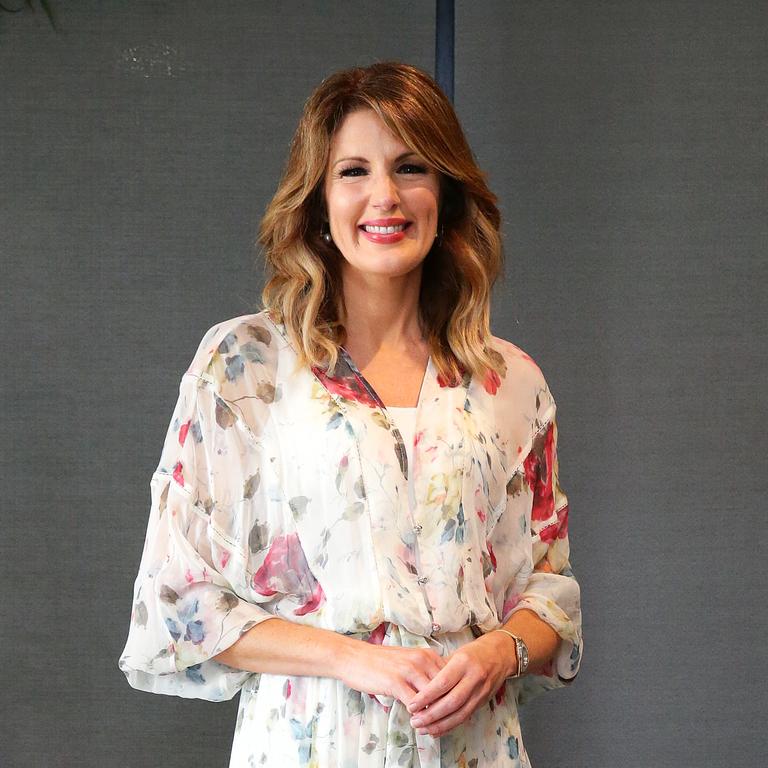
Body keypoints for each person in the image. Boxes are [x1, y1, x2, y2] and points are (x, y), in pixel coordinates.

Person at [118, 60, 583, 768]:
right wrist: (354, 661)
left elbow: (550, 592)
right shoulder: (246, 366)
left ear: (446, 195)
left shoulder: (511, 382)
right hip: (311, 746)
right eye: (354, 171)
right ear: (319, 202)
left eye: (411, 167)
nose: (385, 196)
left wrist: (498, 652)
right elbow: (178, 601)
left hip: (475, 750)